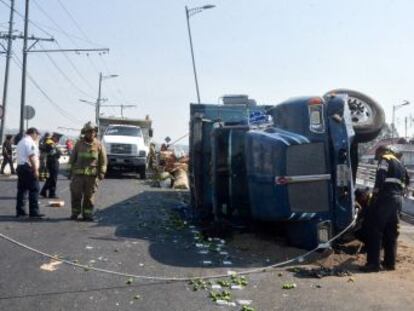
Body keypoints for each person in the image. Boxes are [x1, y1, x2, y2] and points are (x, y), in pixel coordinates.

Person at [360, 145, 410, 272]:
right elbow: (407, 182)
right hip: (397, 200)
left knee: (375, 230)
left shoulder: (385, 159)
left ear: (382, 152)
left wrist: (374, 196)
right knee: (391, 232)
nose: (377, 158)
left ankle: (373, 264)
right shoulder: (400, 164)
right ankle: (390, 263)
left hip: (386, 199)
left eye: (377, 155)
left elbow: (380, 178)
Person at [69, 122, 107, 221]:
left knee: (89, 197)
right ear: (84, 132)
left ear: (95, 133)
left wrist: (102, 172)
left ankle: (87, 215)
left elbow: (103, 161)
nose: (90, 133)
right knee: (76, 195)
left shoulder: (99, 145)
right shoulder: (78, 144)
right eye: (88, 132)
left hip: (92, 177)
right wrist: (69, 172)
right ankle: (75, 213)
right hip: (78, 176)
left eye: (92, 132)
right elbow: (72, 159)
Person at [15, 127, 44, 219]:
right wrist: (35, 170)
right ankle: (34, 212)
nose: (38, 136)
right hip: (28, 168)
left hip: (20, 167)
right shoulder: (29, 142)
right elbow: (31, 156)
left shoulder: (21, 142)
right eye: (37, 134)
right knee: (34, 189)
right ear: (33, 133)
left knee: (22, 190)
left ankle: (20, 211)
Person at [40, 133, 62, 198]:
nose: (58, 140)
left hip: (51, 161)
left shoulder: (50, 142)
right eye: (57, 138)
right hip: (52, 161)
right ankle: (51, 194)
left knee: (50, 179)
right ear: (54, 137)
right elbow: (56, 153)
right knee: (53, 179)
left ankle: (43, 191)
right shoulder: (50, 143)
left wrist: (58, 152)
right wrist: (59, 152)